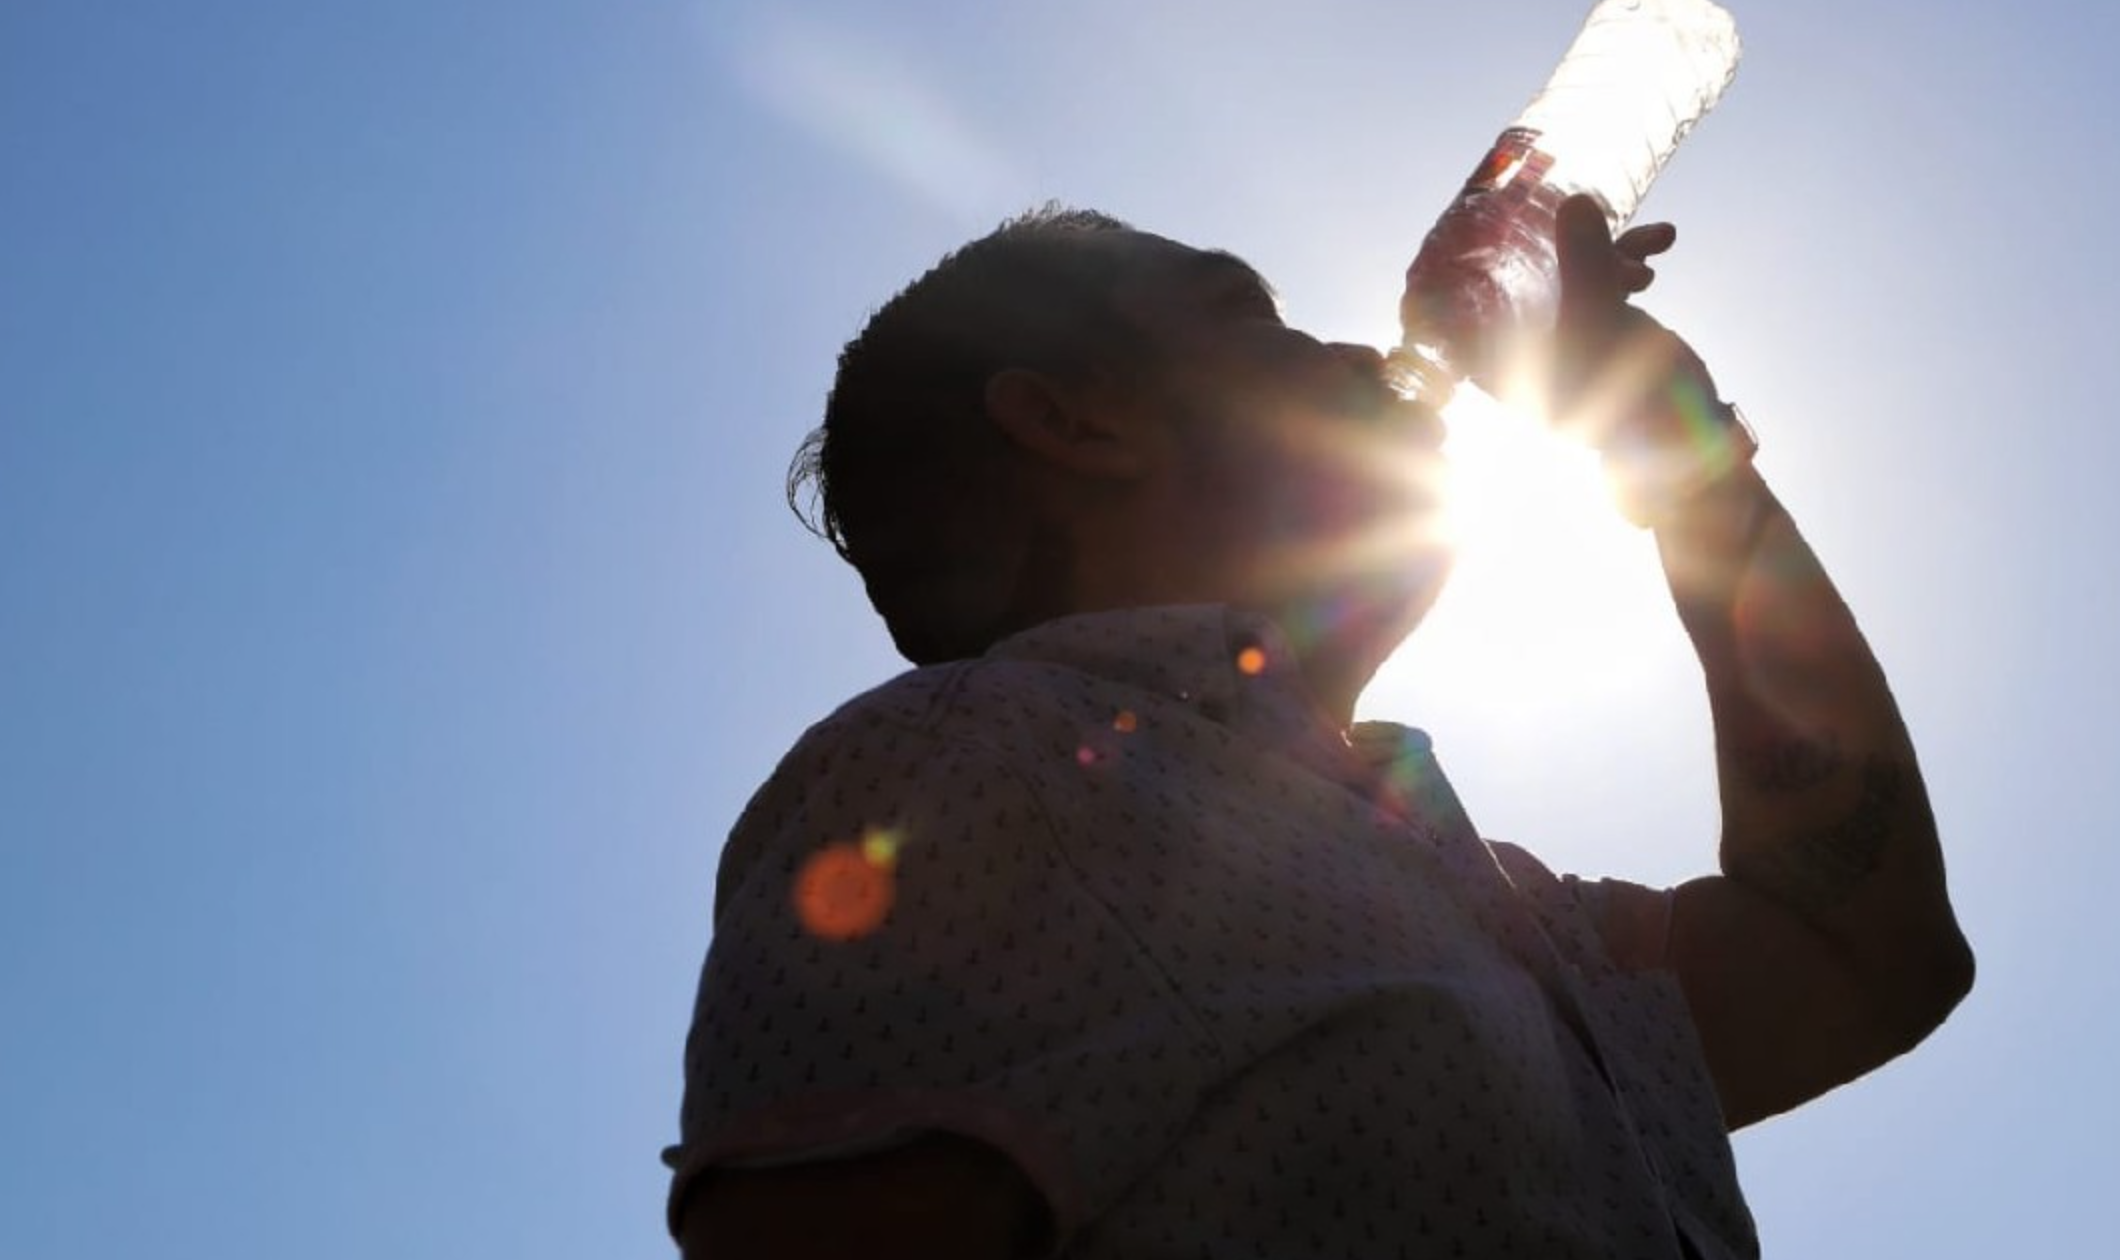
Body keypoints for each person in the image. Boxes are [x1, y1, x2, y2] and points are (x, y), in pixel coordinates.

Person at [662, 196, 1973, 1258]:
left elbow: (1863, 955)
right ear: (1076, 422)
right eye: (1251, 313)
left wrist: (1685, 466)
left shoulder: (1497, 903)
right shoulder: (963, 768)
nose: (1353, 353)